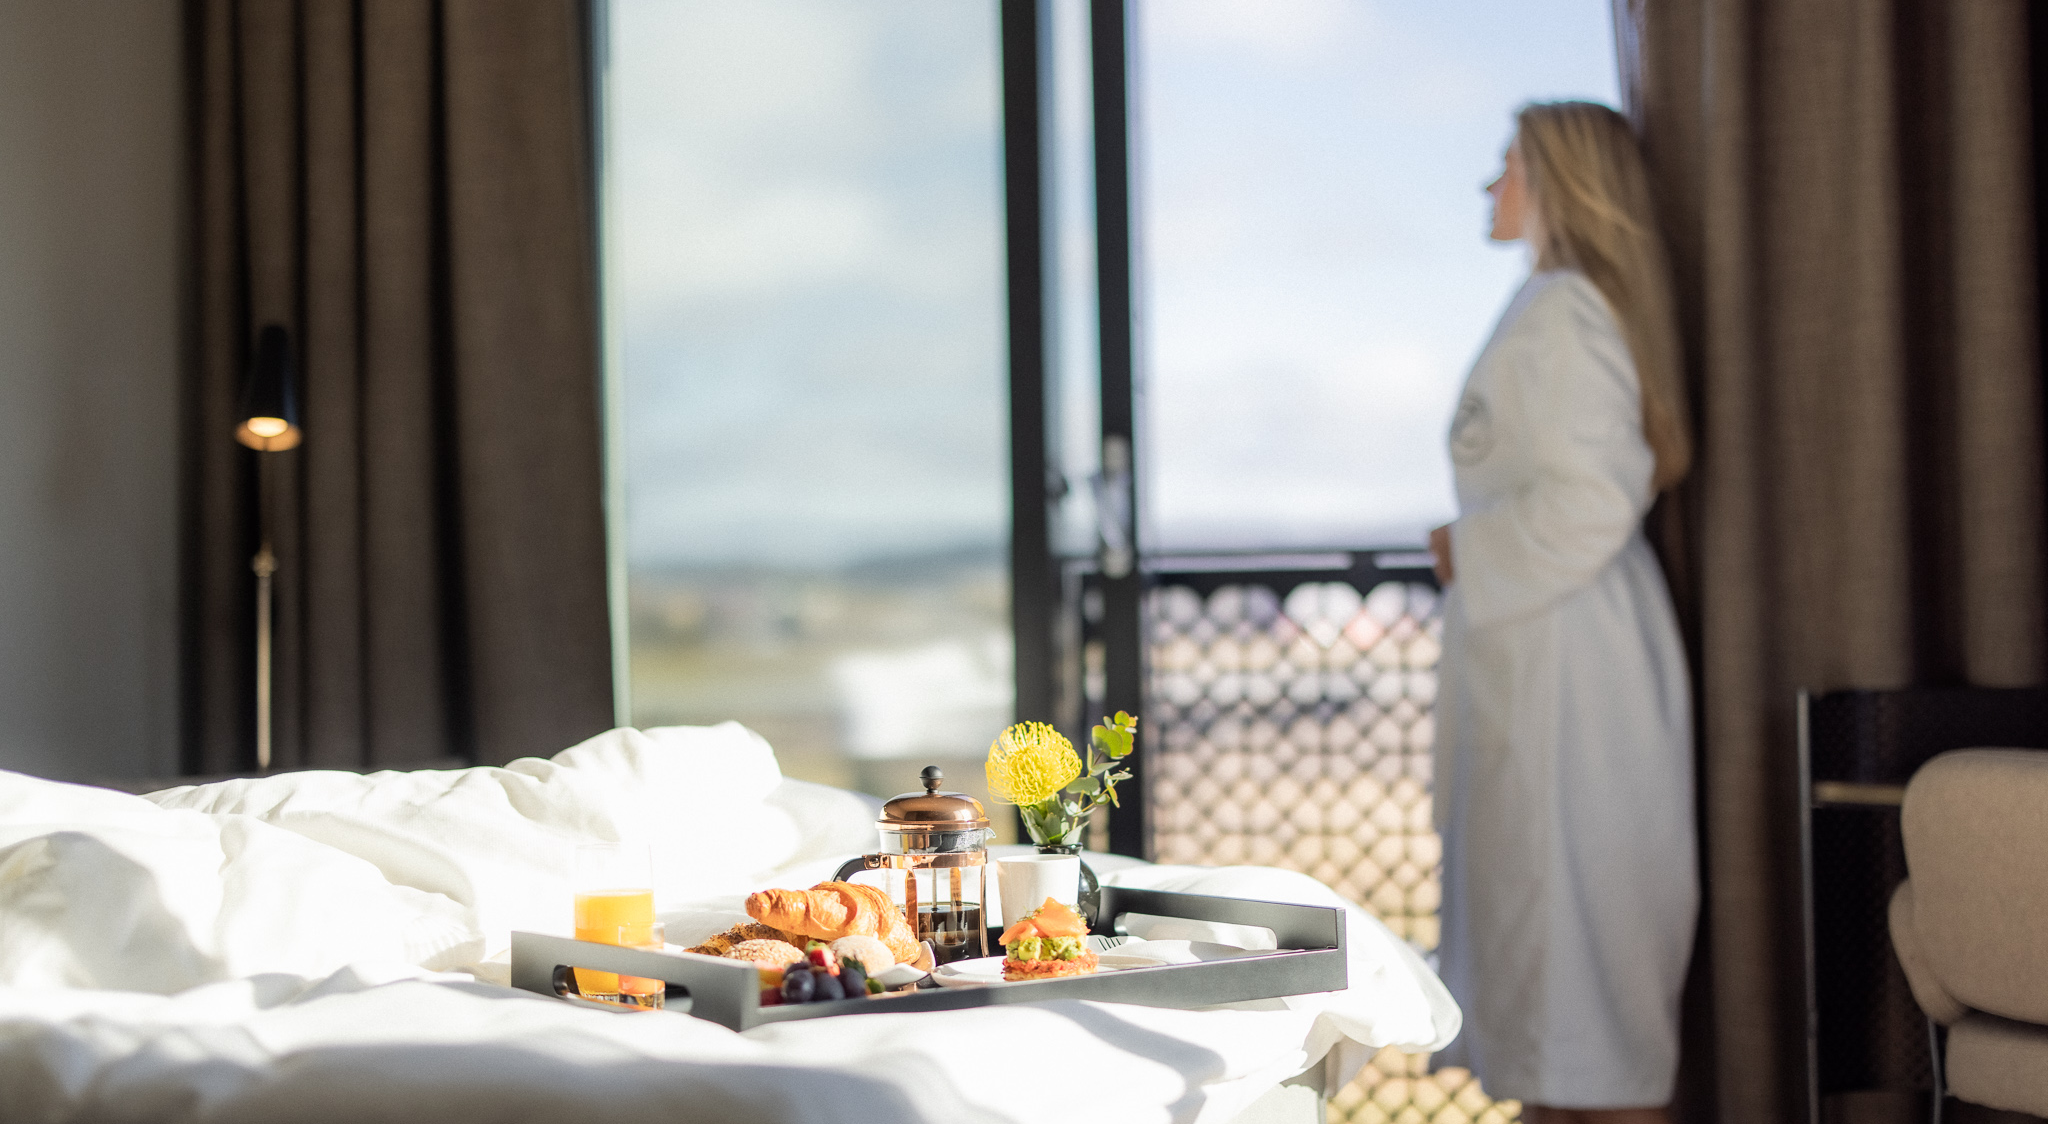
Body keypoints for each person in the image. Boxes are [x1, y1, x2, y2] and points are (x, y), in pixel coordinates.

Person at [1427, 101, 1696, 1124]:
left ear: (1557, 183)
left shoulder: (1567, 311)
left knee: (1587, 986)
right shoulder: (1550, 304)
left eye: (1507, 164)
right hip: (1543, 653)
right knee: (1555, 987)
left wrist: (1468, 549)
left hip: (1573, 675)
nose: (1488, 184)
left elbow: (1594, 499)